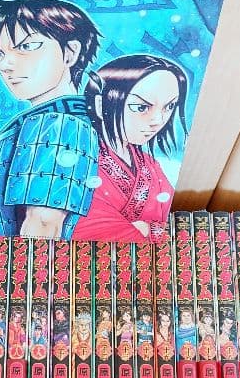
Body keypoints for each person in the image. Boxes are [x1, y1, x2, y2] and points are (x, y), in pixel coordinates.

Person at [0, 0, 101, 238]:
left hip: (29, 258)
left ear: (70, 53)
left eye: (26, 46)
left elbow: (43, 223)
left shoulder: (59, 123)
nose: (5, 64)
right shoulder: (57, 119)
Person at [72, 54, 189, 242]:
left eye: (169, 106)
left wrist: (148, 228)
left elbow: (178, 223)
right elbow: (95, 233)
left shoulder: (150, 165)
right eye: (142, 107)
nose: (158, 120)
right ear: (101, 105)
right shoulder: (79, 166)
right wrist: (151, 229)